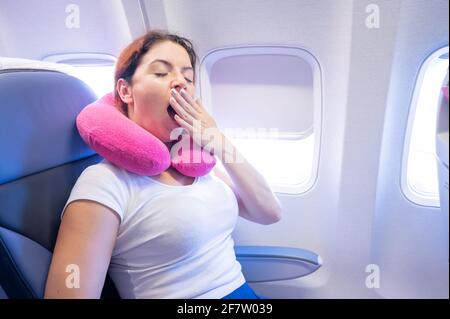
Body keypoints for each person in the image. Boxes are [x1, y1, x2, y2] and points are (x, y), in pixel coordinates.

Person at [44, 30, 282, 299]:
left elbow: (269, 212)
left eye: (188, 76)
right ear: (125, 91)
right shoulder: (105, 182)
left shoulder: (195, 163)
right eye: (161, 73)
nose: (180, 82)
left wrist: (218, 141)